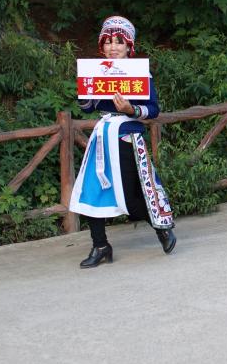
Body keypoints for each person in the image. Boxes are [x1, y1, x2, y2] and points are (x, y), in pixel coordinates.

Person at [70, 16, 175, 268]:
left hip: (126, 136)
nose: (113, 47)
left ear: (129, 46)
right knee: (92, 190)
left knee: (129, 196)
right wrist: (84, 91)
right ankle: (100, 246)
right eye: (108, 42)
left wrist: (130, 109)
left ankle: (162, 227)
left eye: (119, 42)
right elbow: (88, 107)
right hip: (102, 136)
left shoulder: (139, 73)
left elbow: (153, 110)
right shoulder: (97, 71)